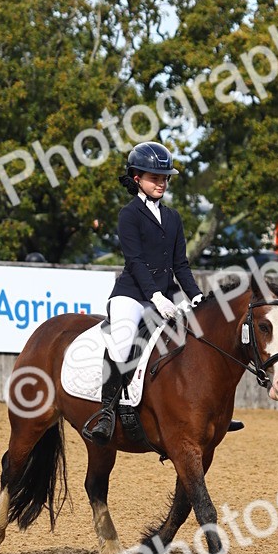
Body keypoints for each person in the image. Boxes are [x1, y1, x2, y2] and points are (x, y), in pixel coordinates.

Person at [84, 141, 204, 445]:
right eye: (155, 177)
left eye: (164, 178)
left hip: (169, 294)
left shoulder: (174, 217)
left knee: (198, 337)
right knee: (123, 343)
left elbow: (180, 264)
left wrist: (195, 295)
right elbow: (134, 262)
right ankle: (106, 412)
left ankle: (204, 408)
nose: (161, 183)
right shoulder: (129, 215)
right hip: (132, 294)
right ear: (137, 178)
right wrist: (155, 297)